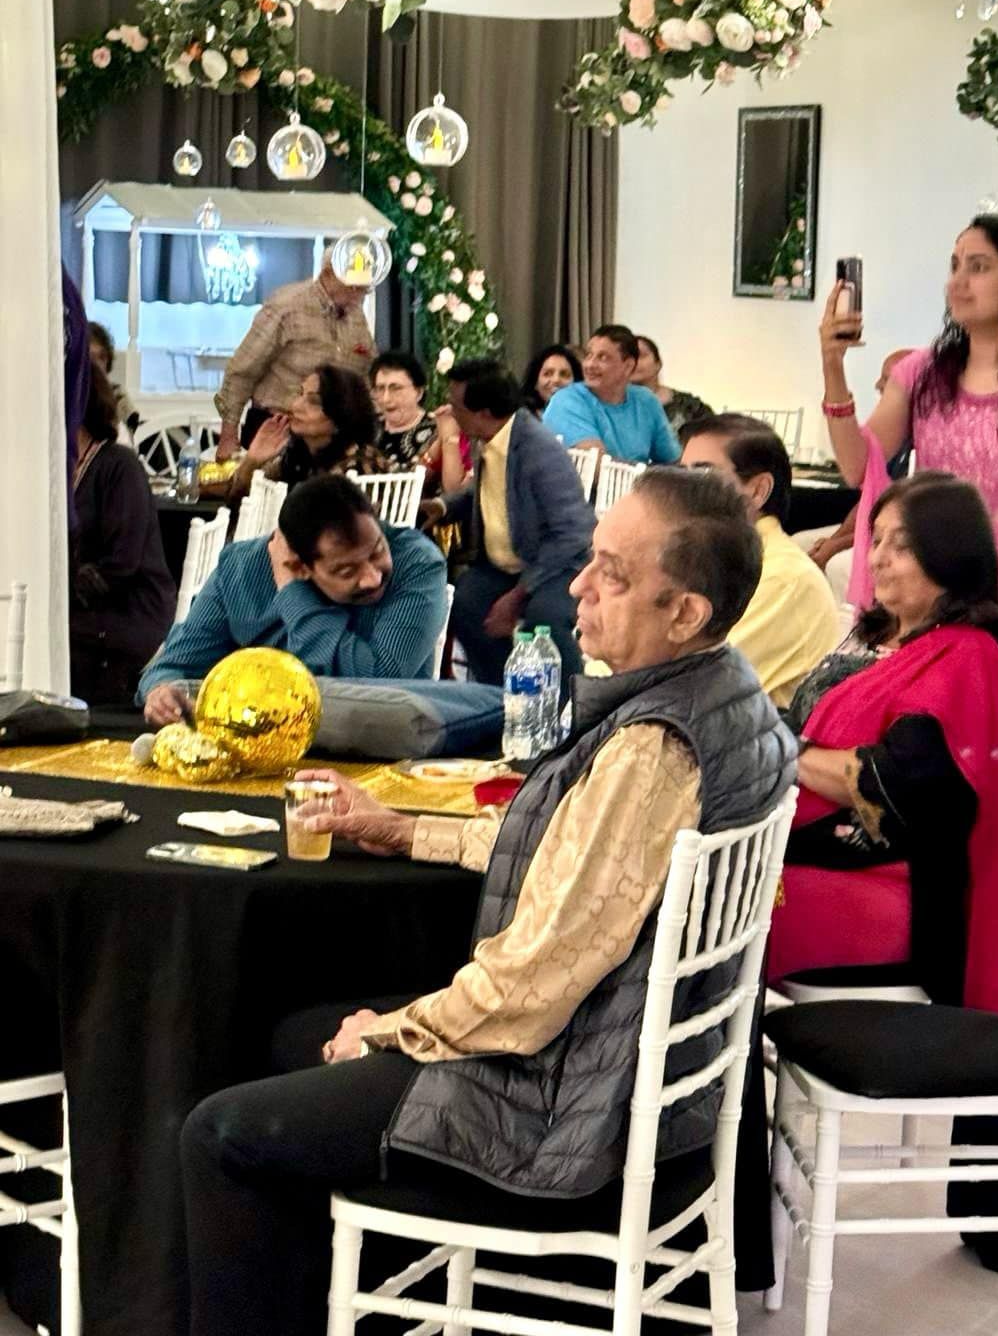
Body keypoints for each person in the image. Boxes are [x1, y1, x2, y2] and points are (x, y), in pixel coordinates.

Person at [179, 469, 796, 1336]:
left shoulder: (654, 747)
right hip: (631, 1073)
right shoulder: (731, 697)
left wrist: (389, 1031)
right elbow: (575, 862)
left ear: (685, 612)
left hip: (567, 1101)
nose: (578, 584)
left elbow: (530, 989)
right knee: (293, 1035)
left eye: (610, 574)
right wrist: (403, 831)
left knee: (221, 1134)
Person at [775, 470, 998, 1280]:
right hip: (864, 873)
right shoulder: (910, 644)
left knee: (705, 928)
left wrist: (788, 758)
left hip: (905, 900)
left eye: (905, 546)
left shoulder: (965, 657)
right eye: (880, 541)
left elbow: (903, 786)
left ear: (951, 558)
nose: (882, 560)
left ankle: (686, 1179)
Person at [820, 215, 998, 697]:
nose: (958, 281)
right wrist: (833, 365)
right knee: (917, 717)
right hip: (932, 572)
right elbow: (858, 465)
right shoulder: (923, 373)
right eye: (955, 265)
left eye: (978, 267)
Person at [138, 475, 446, 723]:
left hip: (383, 748)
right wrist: (162, 692)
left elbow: (377, 683)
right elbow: (176, 665)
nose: (372, 578)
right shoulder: (241, 572)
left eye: (377, 551)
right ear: (300, 566)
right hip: (256, 747)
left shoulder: (417, 564)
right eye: (346, 570)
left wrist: (294, 594)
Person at [424, 359, 594, 685]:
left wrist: (519, 595)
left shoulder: (539, 451)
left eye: (457, 406)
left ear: (484, 412)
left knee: (544, 619)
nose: (450, 411)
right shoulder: (488, 437)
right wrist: (442, 506)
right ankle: (497, 697)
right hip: (504, 563)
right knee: (467, 604)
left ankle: (571, 706)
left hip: (555, 566)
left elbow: (573, 534)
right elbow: (489, 487)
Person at [679, 413, 840, 706]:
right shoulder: (711, 558)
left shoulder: (782, 578)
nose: (684, 489)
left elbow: (693, 680)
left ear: (757, 491)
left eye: (703, 474)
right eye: (683, 473)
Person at [70, 362, 175, 705]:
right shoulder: (59, 466)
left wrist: (57, 596)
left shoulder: (119, 465)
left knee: (47, 636)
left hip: (128, 610)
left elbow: (122, 565)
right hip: (88, 606)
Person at [214, 254, 376, 457]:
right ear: (328, 274)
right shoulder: (287, 305)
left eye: (365, 289)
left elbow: (366, 376)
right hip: (276, 429)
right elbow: (241, 371)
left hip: (331, 439)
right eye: (353, 287)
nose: (359, 296)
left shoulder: (356, 315)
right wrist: (228, 436)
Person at [803, 348, 913, 602]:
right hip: (873, 526)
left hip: (901, 535)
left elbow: (896, 521)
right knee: (800, 543)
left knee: (839, 566)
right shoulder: (891, 439)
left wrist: (835, 546)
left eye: (887, 378)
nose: (877, 385)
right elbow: (865, 499)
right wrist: (832, 539)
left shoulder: (922, 445)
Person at [227, 364, 397, 499]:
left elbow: (323, 532)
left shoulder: (359, 466)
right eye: (300, 394)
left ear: (342, 416)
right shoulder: (299, 456)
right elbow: (238, 505)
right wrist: (253, 460)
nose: (296, 406)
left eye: (313, 402)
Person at [542, 323, 680, 463]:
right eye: (589, 355)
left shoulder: (646, 400)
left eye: (603, 357)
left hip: (639, 483)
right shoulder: (566, 401)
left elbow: (672, 461)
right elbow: (597, 468)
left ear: (628, 366)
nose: (590, 364)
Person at [633, 333, 712, 435]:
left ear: (658, 363)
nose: (633, 362)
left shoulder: (689, 407)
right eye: (626, 357)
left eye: (640, 355)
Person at [370, 349, 437, 468]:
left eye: (395, 388)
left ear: (418, 392)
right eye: (380, 389)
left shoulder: (437, 431)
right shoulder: (367, 429)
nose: (386, 399)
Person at [520, 342, 583, 417]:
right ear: (535, 383)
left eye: (564, 374)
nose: (556, 380)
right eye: (548, 374)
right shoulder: (521, 419)